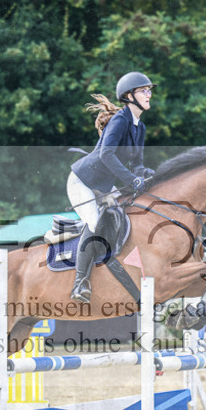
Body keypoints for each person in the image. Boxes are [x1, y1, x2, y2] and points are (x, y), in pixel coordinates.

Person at [67, 71, 157, 303]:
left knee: (123, 215)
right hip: (83, 181)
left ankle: (112, 264)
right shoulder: (120, 120)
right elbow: (106, 154)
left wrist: (143, 174)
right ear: (129, 96)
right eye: (144, 90)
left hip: (104, 184)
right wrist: (130, 179)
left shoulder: (140, 127)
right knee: (94, 222)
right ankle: (79, 283)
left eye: (149, 90)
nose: (149, 94)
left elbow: (136, 163)